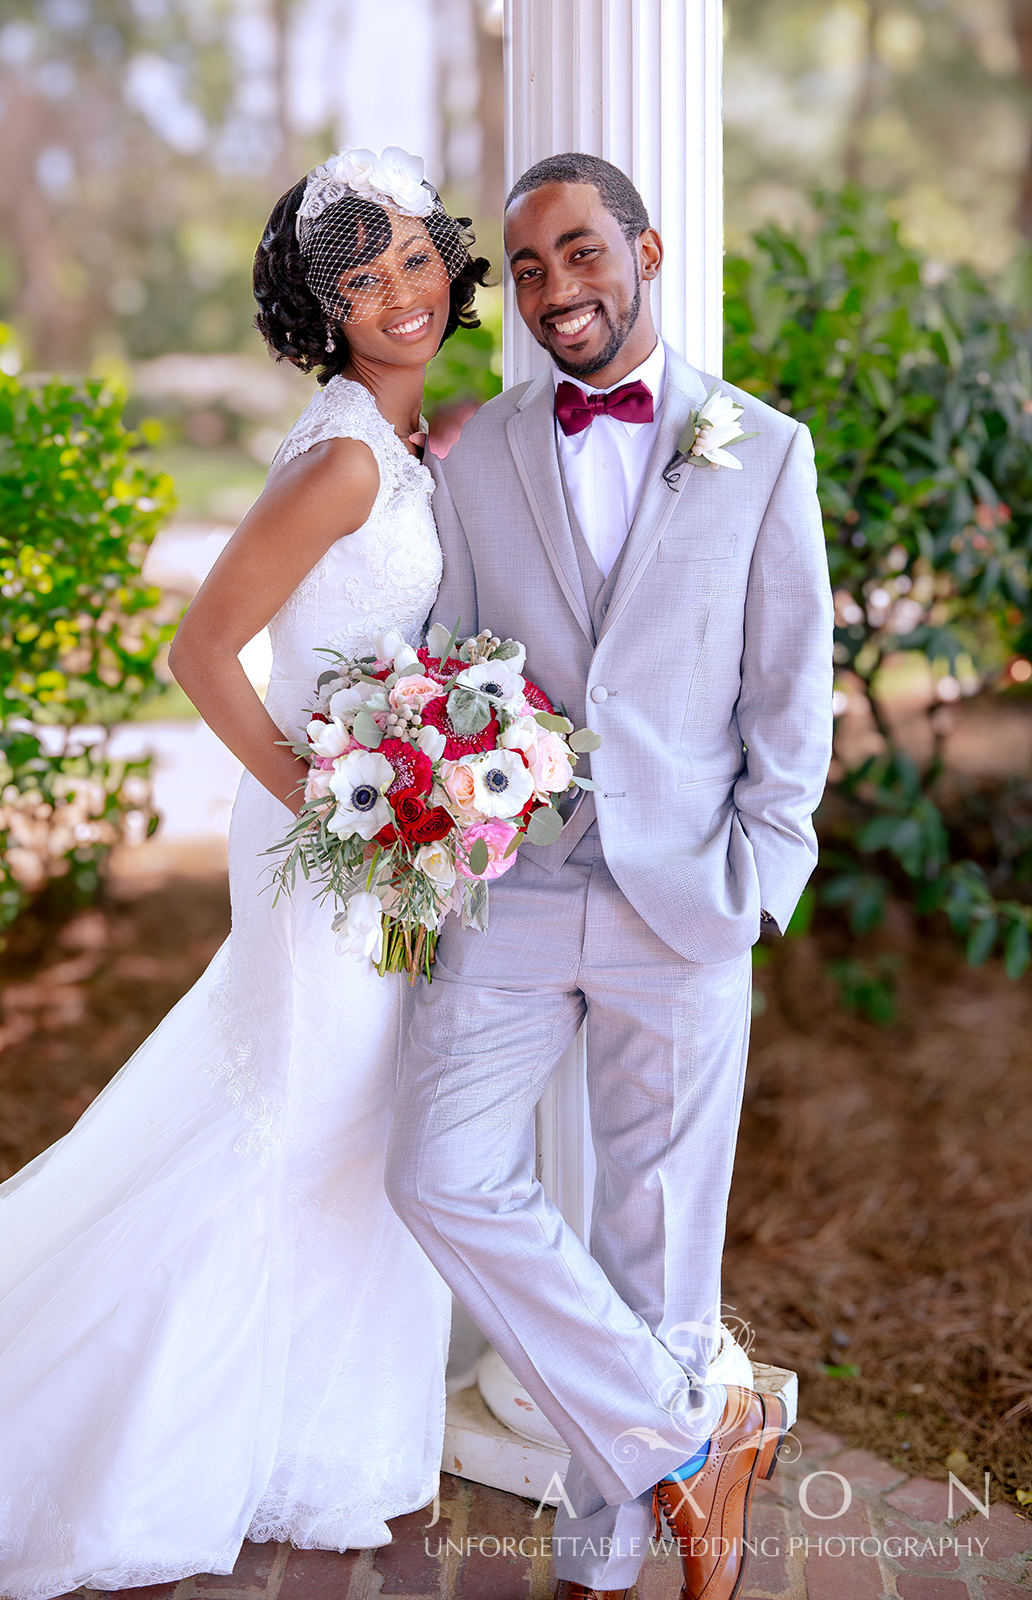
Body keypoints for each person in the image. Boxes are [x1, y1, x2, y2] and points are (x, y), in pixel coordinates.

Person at [0, 146, 489, 1600]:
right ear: (319, 306)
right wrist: (343, 806)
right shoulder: (340, 460)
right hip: (334, 834)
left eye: (411, 257)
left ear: (449, 258)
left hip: (387, 829)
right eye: (358, 276)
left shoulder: (405, 437)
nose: (396, 292)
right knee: (301, 1118)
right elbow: (200, 653)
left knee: (350, 1128)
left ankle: (314, 1435)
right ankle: (151, 1445)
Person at [385, 152, 835, 1600]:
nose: (554, 290)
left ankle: (604, 1556)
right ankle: (696, 1435)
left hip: (689, 893)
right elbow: (455, 652)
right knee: (441, 1174)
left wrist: (760, 878)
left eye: (579, 253)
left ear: (641, 250)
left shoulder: (761, 450)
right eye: (524, 269)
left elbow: (795, 699)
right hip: (513, 885)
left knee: (658, 1232)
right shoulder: (485, 453)